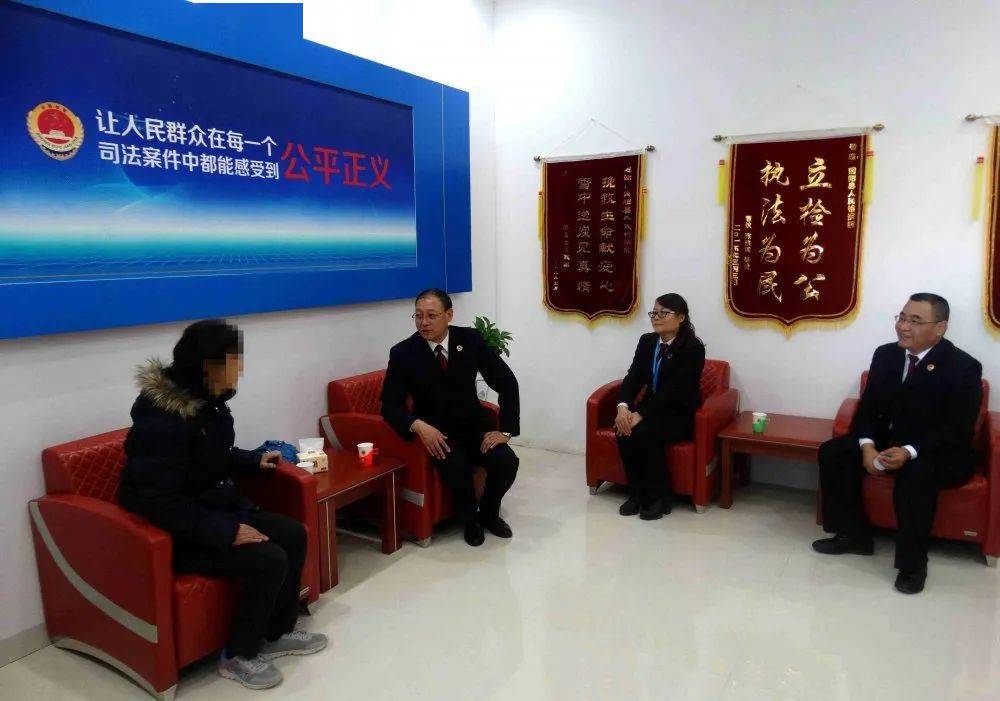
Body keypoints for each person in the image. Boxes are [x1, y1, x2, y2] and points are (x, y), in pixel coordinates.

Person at [117, 320, 326, 690]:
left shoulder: (207, 403)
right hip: (175, 531)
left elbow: (211, 456)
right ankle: (238, 656)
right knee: (269, 558)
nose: (240, 369)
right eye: (234, 360)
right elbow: (158, 501)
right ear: (209, 365)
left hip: (209, 508)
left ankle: (275, 633)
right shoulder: (162, 419)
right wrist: (227, 531)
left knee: (293, 535)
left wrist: (252, 461)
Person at [812, 293, 983, 594]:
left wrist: (908, 451)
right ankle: (853, 536)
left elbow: (957, 429)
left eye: (915, 321)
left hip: (940, 450)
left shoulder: (964, 367)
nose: (903, 326)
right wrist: (867, 445)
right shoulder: (886, 355)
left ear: (940, 328)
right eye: (902, 318)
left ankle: (912, 564)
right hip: (888, 441)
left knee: (917, 473)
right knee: (834, 453)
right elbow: (868, 407)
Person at [381, 289, 520, 547]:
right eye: (418, 316)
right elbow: (390, 405)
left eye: (431, 316)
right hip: (438, 432)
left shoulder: (470, 340)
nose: (424, 322)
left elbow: (507, 382)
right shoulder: (403, 353)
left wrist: (506, 431)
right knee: (456, 465)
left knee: (506, 462)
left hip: (474, 427)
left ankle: (489, 513)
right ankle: (469, 522)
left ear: (449, 315)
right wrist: (417, 425)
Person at [615, 293, 706, 520]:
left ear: (681, 317)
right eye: (654, 313)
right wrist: (623, 408)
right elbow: (633, 377)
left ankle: (658, 498)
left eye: (664, 313)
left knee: (645, 432)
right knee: (622, 430)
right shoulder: (647, 342)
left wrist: (640, 414)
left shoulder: (692, 348)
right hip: (651, 408)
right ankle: (636, 493)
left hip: (678, 412)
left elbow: (674, 390)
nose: (656, 317)